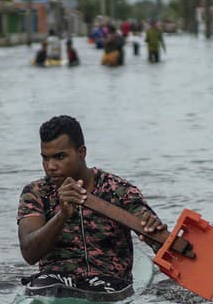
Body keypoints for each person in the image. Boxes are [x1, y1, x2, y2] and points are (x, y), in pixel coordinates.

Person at [16, 115, 166, 293]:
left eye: (59, 157)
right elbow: (29, 253)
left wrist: (153, 230)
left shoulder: (118, 190)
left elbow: (156, 237)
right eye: (45, 158)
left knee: (99, 287)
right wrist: (62, 215)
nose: (50, 166)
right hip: (55, 282)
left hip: (109, 283)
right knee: (43, 285)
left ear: (81, 152)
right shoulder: (36, 193)